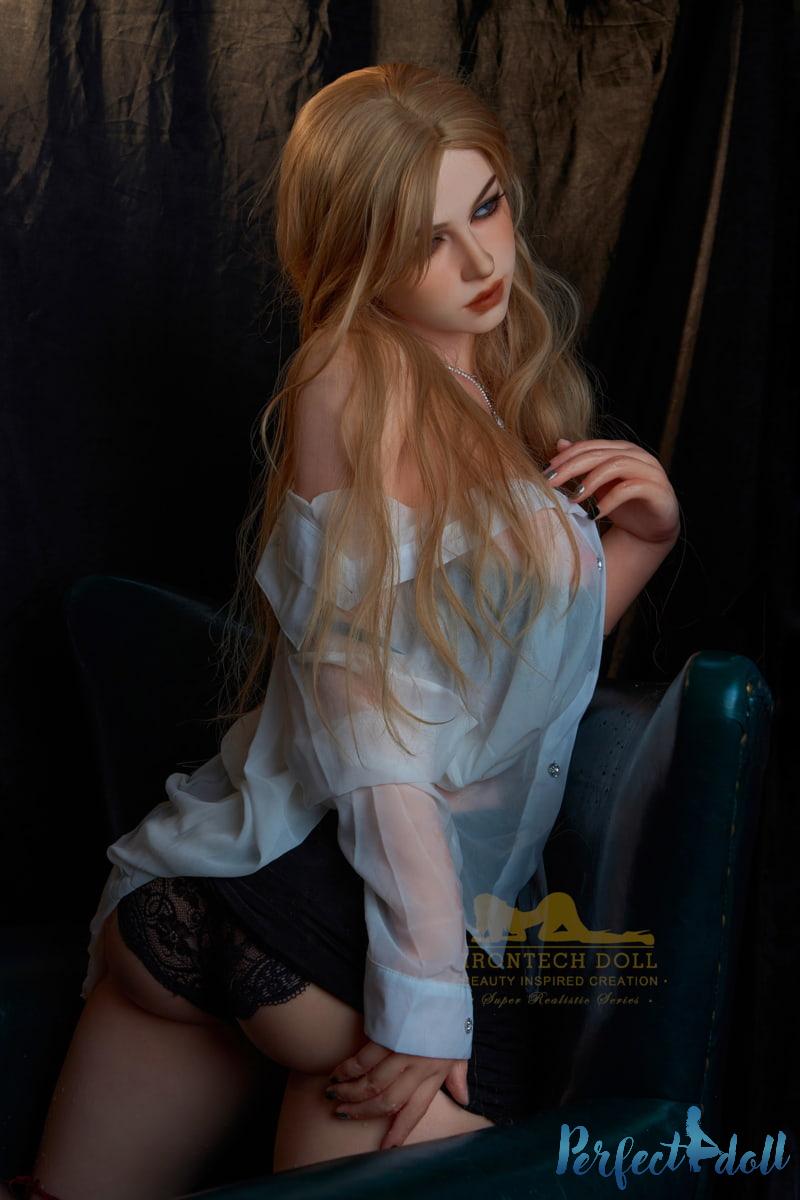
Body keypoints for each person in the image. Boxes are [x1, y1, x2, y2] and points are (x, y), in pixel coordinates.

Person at [7, 62, 680, 1200]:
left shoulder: (465, 379)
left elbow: (504, 694)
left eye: (484, 208)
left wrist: (641, 544)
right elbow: (370, 729)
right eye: (425, 241)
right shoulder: (359, 378)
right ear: (356, 253)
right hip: (355, 931)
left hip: (232, 897)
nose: (479, 262)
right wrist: (428, 994)